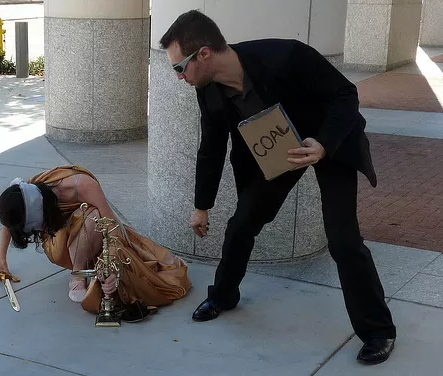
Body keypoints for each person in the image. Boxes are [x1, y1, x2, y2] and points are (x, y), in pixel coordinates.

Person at [159, 10, 396, 364]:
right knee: (241, 223)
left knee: (343, 240)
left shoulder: (284, 56)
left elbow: (345, 95)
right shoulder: (209, 91)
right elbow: (211, 148)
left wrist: (323, 144)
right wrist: (201, 205)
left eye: (180, 67)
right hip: (279, 155)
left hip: (329, 145)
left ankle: (379, 330)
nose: (179, 77)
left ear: (204, 54)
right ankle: (223, 296)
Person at [0, 165, 191, 319]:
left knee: (93, 215)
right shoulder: (29, 191)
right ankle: (81, 270)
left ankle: (79, 276)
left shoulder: (83, 186)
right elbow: (11, 219)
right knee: (85, 221)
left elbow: (111, 228)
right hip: (62, 242)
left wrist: (110, 266)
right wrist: (1, 259)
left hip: (96, 235)